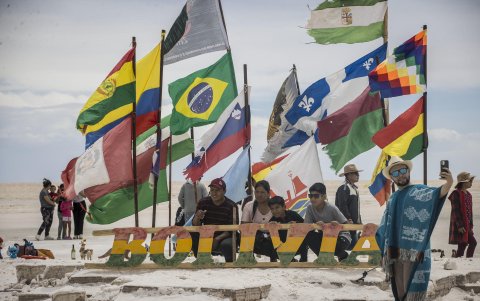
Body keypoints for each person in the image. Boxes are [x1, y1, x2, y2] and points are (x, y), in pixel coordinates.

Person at [376, 157, 453, 301]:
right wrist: (379, 238)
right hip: (395, 253)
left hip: (416, 252)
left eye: (403, 170)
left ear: (408, 171)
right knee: (400, 293)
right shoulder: (393, 198)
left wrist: (449, 184)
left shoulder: (419, 191)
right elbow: (386, 223)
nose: (400, 174)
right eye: (395, 173)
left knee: (414, 294)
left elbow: (437, 194)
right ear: (392, 177)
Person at [192, 178, 239, 262]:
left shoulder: (232, 206)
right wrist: (197, 217)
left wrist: (217, 239)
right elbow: (195, 226)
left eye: (218, 190)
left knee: (227, 244)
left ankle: (229, 262)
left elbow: (232, 229)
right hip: (207, 234)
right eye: (212, 190)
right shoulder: (203, 202)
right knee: (192, 234)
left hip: (225, 236)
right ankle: (200, 259)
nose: (214, 193)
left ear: (224, 191)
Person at [304, 182, 351, 261]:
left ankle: (343, 255)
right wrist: (316, 225)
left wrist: (336, 226)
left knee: (333, 245)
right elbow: (306, 227)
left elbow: (346, 225)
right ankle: (323, 258)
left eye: (316, 196)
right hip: (325, 237)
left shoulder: (331, 208)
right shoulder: (309, 208)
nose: (312, 199)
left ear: (324, 197)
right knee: (308, 235)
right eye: (310, 196)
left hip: (341, 237)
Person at [241, 180, 276, 261]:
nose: (259, 195)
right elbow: (243, 227)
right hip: (256, 238)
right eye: (257, 192)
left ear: (268, 193)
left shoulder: (275, 206)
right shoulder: (249, 206)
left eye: (262, 192)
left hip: (273, 238)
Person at [268, 195, 308, 262]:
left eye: (277, 208)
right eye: (272, 209)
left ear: (284, 207)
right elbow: (269, 236)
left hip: (296, 245)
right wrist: (271, 227)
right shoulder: (272, 221)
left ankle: (303, 259)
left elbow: (306, 225)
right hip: (282, 247)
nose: (274, 211)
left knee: (305, 238)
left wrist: (297, 223)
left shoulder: (293, 214)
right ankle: (276, 259)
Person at [449, 172, 476, 258]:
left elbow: (470, 213)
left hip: (467, 225)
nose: (471, 183)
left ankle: (457, 258)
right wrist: (460, 225)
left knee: (463, 244)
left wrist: (471, 225)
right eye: (470, 181)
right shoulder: (456, 194)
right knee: (473, 242)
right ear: (464, 182)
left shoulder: (469, 195)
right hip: (460, 225)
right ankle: (469, 259)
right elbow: (455, 211)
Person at [335, 164, 362, 250]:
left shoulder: (353, 188)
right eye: (355, 173)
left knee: (351, 247)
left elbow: (355, 208)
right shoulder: (344, 188)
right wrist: (348, 219)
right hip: (347, 224)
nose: (358, 175)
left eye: (358, 173)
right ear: (349, 175)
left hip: (352, 224)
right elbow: (342, 205)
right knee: (348, 247)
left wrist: (359, 221)